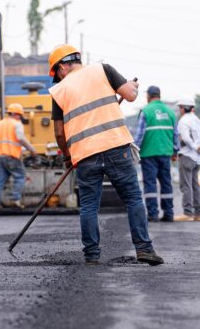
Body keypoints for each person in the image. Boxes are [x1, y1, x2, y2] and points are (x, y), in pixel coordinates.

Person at [48, 44, 163, 266]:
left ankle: (91, 255)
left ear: (61, 66)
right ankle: (144, 249)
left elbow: (59, 133)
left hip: (84, 155)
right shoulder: (103, 69)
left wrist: (66, 155)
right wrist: (132, 86)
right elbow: (130, 96)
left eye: (57, 74)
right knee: (133, 198)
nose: (59, 78)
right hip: (115, 147)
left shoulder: (59, 91)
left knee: (89, 205)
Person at [134, 85, 179, 222]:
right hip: (166, 153)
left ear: (148, 96)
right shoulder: (170, 112)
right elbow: (175, 134)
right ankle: (169, 213)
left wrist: (135, 150)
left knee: (150, 184)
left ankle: (153, 214)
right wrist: (175, 151)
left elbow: (140, 134)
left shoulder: (146, 111)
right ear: (159, 95)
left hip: (148, 154)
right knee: (166, 183)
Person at [0, 103, 37, 209]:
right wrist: (32, 150)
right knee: (20, 176)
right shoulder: (17, 124)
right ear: (17, 114)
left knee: (0, 179)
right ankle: (16, 200)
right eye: (20, 115)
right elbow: (20, 138)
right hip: (11, 155)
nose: (20, 117)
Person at [175, 97, 200, 221]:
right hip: (196, 158)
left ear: (183, 108)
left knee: (186, 186)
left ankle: (187, 213)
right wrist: (197, 148)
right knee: (195, 186)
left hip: (187, 155)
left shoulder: (183, 121)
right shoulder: (198, 120)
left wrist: (194, 147)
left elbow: (186, 138)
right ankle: (198, 213)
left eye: (180, 108)